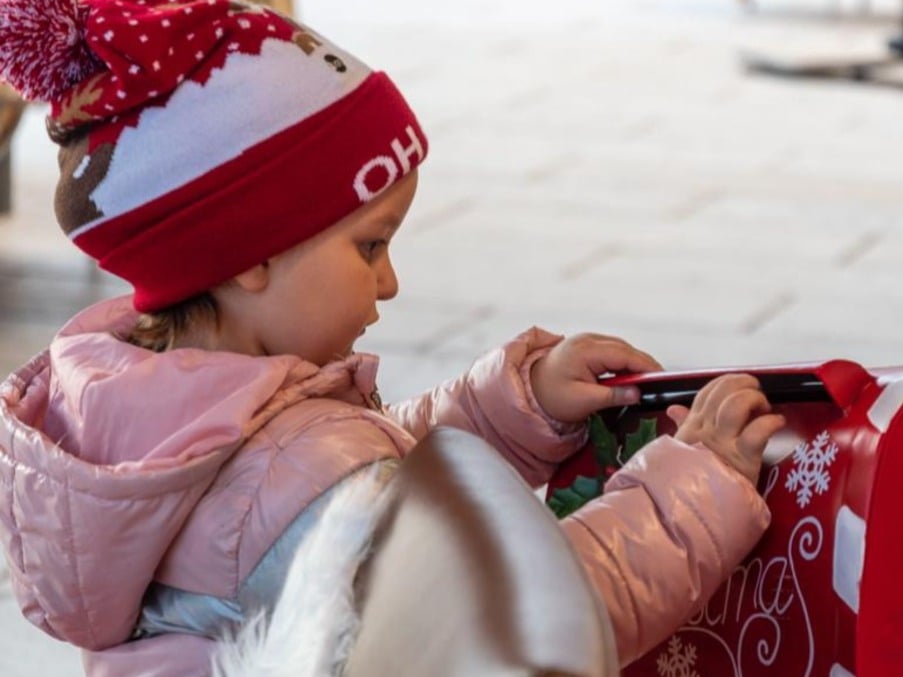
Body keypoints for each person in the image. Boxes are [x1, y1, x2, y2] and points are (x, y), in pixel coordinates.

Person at [0, 0, 786, 674]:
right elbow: (512, 615)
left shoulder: (146, 400)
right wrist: (697, 482)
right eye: (370, 245)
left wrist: (508, 407)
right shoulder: (296, 478)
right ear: (253, 255)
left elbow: (353, 486)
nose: (389, 282)